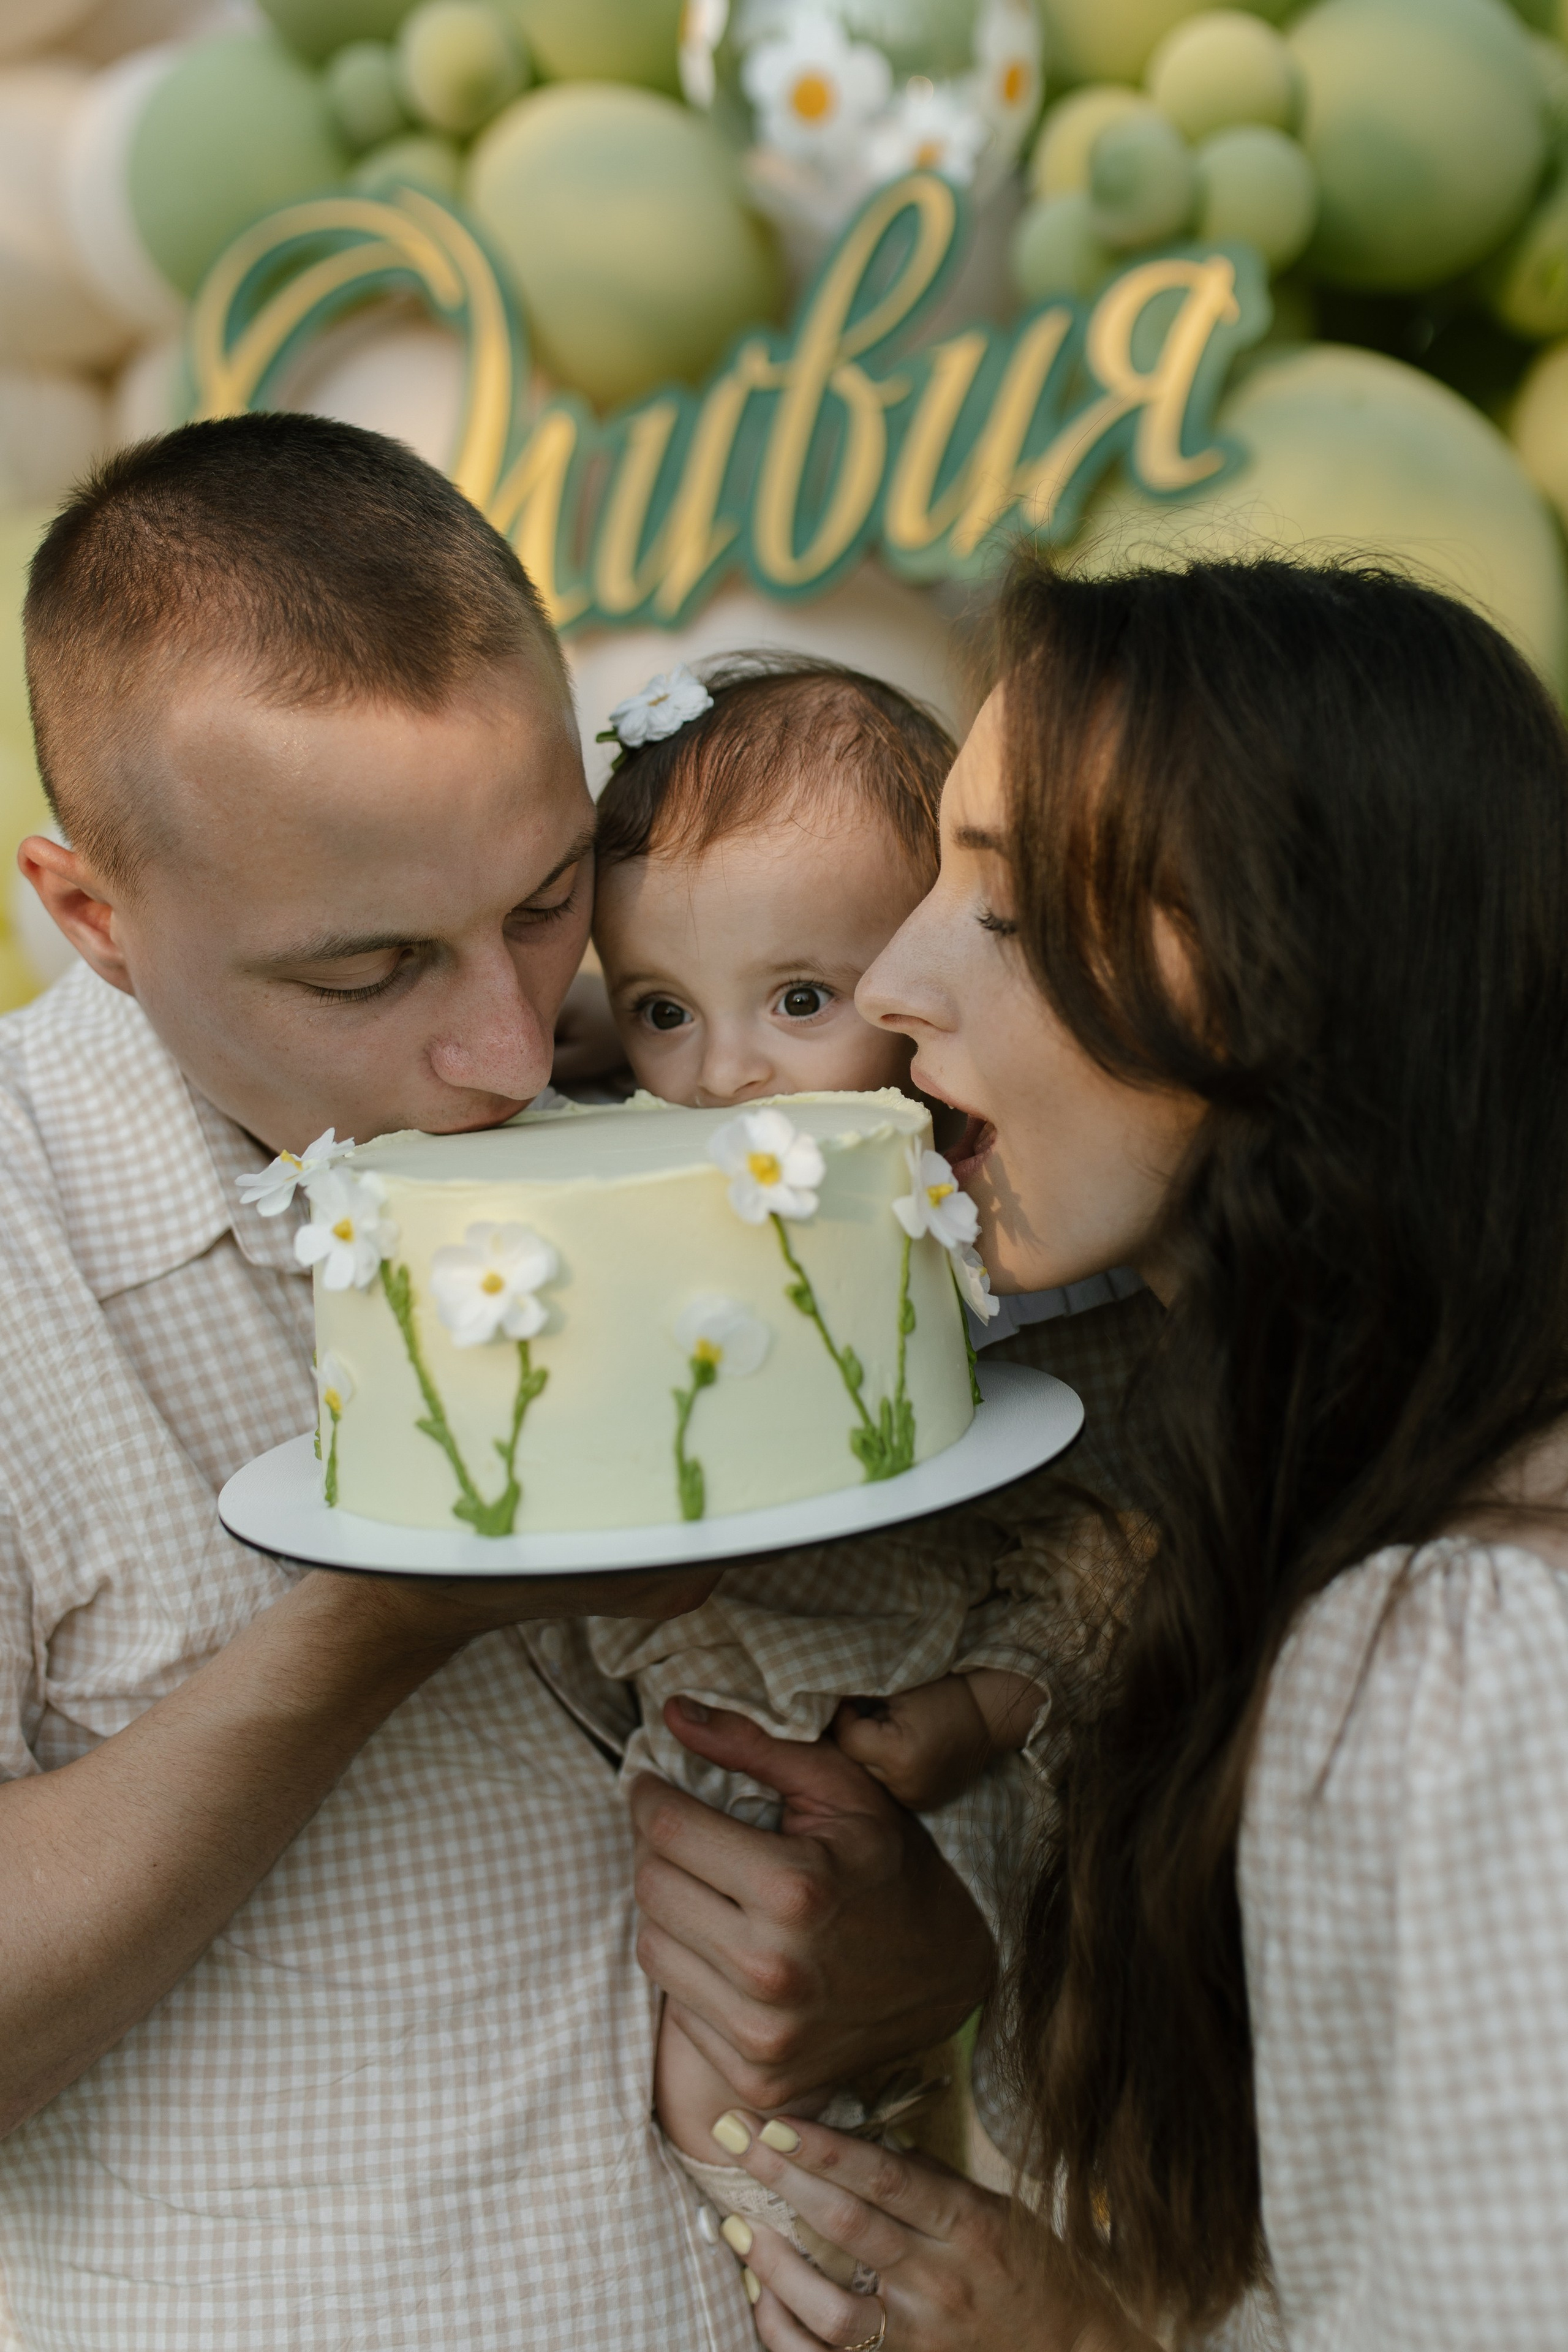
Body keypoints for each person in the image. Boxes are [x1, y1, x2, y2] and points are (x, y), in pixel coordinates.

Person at [0, 411, 1004, 2352]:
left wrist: (935, 1946)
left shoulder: (707, 1051)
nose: (499, 1050)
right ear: (95, 915)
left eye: (542, 898)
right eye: (365, 973)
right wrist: (375, 1630)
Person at [695, 555, 1568, 2352]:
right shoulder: (1254, 1506)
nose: (894, 980)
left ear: (1275, 967)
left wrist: (1078, 2338)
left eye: (1003, 912)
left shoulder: (1460, 1666)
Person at [582, 650, 1136, 2247]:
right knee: (727, 2110)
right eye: (662, 1012)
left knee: (1047, 2102)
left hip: (990, 1730)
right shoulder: (648, 1193)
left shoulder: (1027, 1234)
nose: (727, 1073)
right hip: (743, 1731)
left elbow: (1134, 1508)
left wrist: (997, 1696)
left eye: (800, 1000)